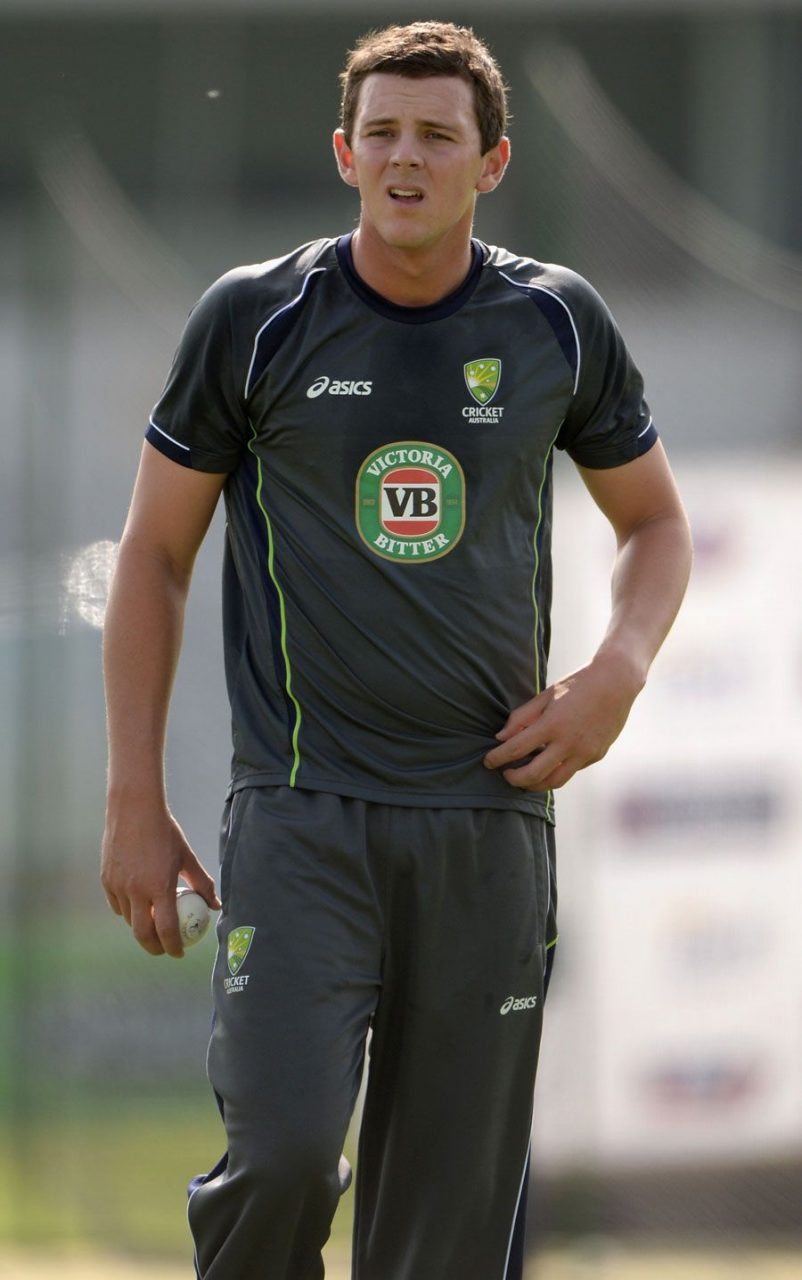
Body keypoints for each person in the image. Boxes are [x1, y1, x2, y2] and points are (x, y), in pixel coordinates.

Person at [101, 20, 692, 1280]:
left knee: (445, 1240)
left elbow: (654, 525)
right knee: (281, 1156)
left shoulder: (556, 324)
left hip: (489, 821)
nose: (405, 158)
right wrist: (133, 796)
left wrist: (616, 675)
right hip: (303, 818)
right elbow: (152, 554)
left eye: (436, 135)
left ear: (491, 163)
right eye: (382, 133)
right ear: (342, 152)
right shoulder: (255, 320)